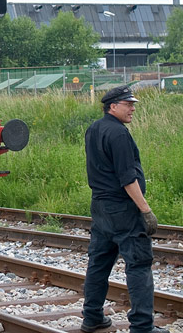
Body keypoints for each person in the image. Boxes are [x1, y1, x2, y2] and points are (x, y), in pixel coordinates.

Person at [81, 85, 167, 333]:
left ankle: (92, 316)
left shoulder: (94, 128)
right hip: (123, 209)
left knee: (98, 262)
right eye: (128, 104)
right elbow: (127, 178)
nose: (132, 108)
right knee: (139, 264)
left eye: (133, 104)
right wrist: (145, 210)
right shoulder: (118, 133)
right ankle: (142, 326)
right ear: (113, 106)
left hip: (100, 208)